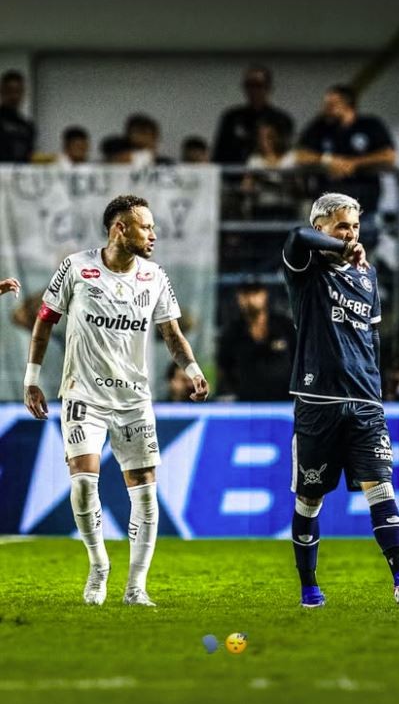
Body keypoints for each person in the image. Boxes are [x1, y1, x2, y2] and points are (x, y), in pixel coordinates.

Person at [24, 194, 209, 607]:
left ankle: (136, 587)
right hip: (82, 393)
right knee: (84, 481)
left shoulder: (155, 276)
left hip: (133, 399)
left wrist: (193, 371)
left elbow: (172, 335)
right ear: (119, 228)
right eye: (146, 226)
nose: (154, 235)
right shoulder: (76, 267)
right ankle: (98, 565)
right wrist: (31, 380)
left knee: (144, 491)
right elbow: (43, 323)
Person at [283, 192, 399, 608]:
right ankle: (308, 587)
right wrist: (341, 248)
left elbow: (370, 338)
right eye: (341, 226)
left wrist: (377, 389)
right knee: (310, 497)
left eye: (354, 226)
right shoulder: (306, 269)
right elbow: (297, 236)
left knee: (380, 485)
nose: (351, 233)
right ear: (322, 228)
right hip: (318, 400)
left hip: (366, 401)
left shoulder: (367, 277)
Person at [297, 85, 396, 247]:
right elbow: (300, 155)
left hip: (363, 207)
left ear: (347, 104)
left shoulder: (369, 125)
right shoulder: (320, 127)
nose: (325, 109)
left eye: (331, 105)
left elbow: (388, 155)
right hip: (328, 211)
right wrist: (328, 160)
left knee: (361, 256)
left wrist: (353, 164)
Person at [217, 281, 295, 401]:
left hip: (285, 400)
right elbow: (224, 366)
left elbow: (299, 358)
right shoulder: (232, 332)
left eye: (255, 292)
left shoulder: (284, 326)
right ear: (239, 298)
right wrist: (236, 389)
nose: (250, 299)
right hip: (247, 402)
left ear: (264, 295)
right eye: (245, 294)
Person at [213, 65, 294, 165]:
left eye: (258, 85)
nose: (253, 90)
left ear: (269, 88)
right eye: (249, 85)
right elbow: (219, 154)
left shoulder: (281, 119)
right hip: (235, 176)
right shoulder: (232, 117)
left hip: (268, 175)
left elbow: (286, 154)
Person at [0, 70, 35, 163]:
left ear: (23, 93)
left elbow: (29, 156)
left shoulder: (28, 126)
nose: (14, 96)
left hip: (21, 174)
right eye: (9, 91)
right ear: (2, 91)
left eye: (18, 91)